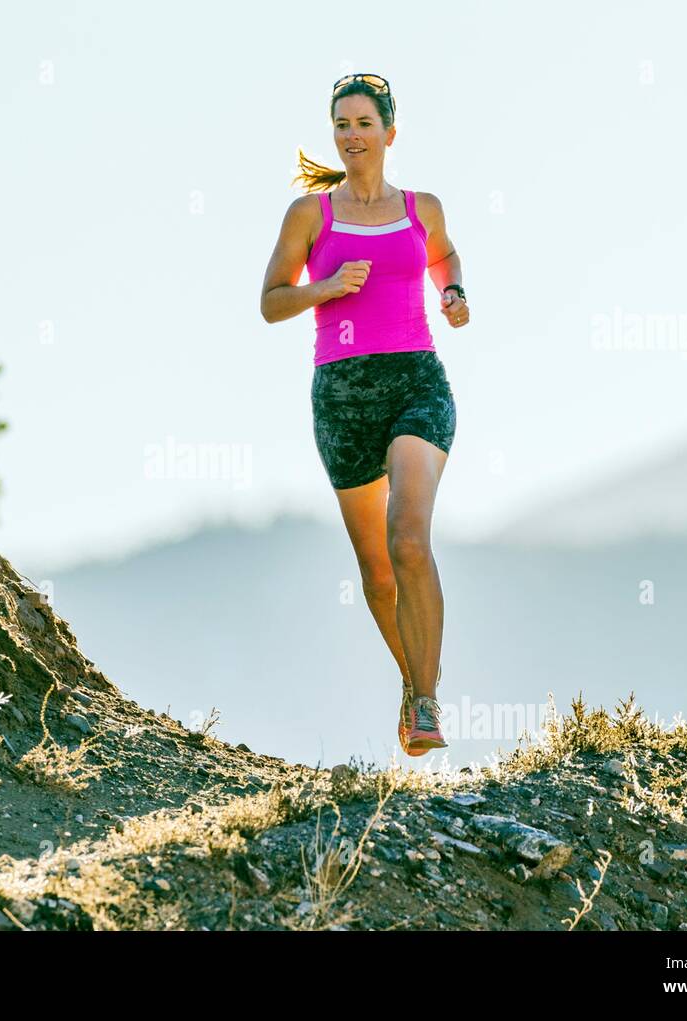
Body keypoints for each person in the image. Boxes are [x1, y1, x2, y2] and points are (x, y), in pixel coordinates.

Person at [259, 73, 469, 757]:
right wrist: (323, 286)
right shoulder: (310, 215)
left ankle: (429, 701)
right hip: (342, 395)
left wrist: (455, 291)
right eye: (340, 125)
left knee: (408, 538)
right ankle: (412, 685)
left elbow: (443, 256)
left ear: (389, 132)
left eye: (362, 123)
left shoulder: (422, 207)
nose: (351, 136)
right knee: (378, 572)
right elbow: (270, 300)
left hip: (415, 383)